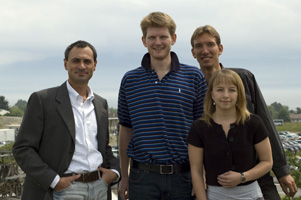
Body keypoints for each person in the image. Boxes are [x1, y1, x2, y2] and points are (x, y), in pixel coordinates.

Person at [190, 25, 298, 199]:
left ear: (220, 48)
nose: (205, 51)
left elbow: (266, 124)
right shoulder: (190, 87)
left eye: (210, 44)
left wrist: (282, 171)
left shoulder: (244, 78)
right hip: (213, 181)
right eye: (199, 46)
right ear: (193, 52)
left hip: (256, 174)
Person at [12, 40, 121, 200]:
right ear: (65, 64)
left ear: (95, 65)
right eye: (76, 60)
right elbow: (22, 148)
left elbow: (104, 148)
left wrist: (115, 172)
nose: (82, 66)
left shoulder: (100, 104)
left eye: (87, 61)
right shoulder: (43, 100)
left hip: (99, 188)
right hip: (61, 190)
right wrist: (55, 181)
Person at [117, 11, 207, 200]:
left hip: (184, 177)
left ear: (173, 39)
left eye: (163, 37)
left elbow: (203, 130)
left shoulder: (194, 77)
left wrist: (201, 174)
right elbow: (125, 130)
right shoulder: (130, 80)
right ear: (144, 40)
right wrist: (124, 177)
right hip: (142, 179)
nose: (158, 42)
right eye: (152, 37)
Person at [188, 68, 273, 199]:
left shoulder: (254, 122)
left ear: (239, 94)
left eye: (232, 90)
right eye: (220, 89)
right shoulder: (199, 127)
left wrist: (242, 177)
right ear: (211, 94)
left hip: (251, 196)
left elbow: (267, 162)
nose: (226, 95)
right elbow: (196, 171)